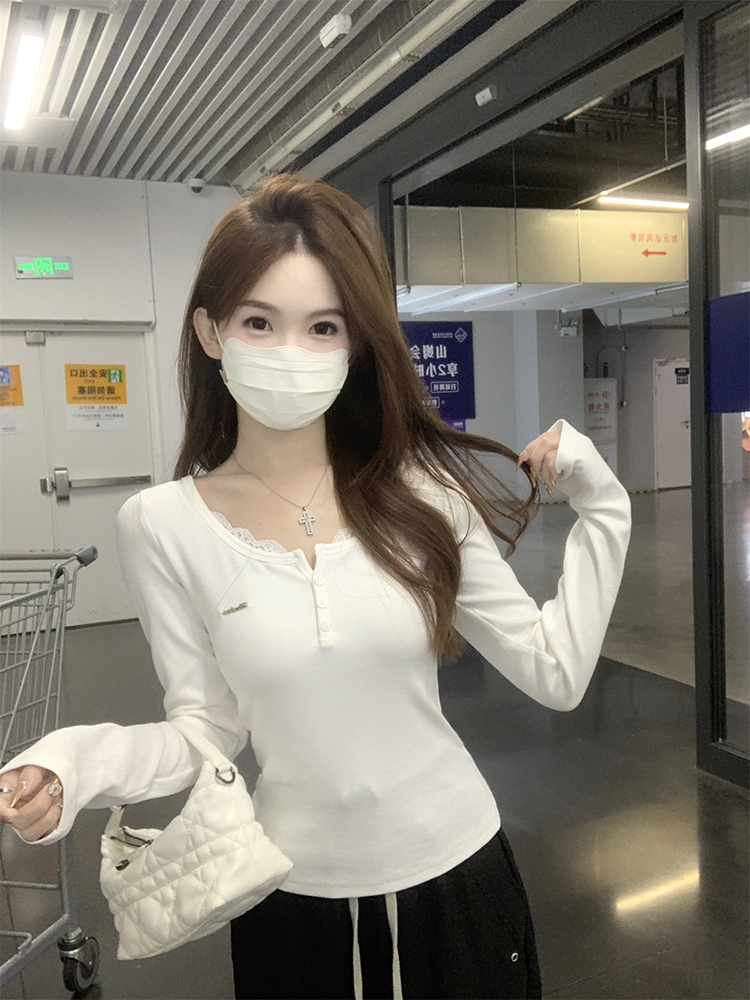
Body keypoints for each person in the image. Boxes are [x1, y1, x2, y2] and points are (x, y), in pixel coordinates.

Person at [0, 173, 631, 1000]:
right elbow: (206, 730)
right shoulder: (162, 524)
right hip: (293, 905)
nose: (290, 351)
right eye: (260, 321)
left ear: (355, 344)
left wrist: (603, 505)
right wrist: (73, 762)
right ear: (211, 332)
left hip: (459, 881)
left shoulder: (423, 496)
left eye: (323, 326)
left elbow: (556, 670)